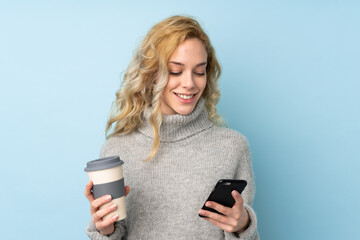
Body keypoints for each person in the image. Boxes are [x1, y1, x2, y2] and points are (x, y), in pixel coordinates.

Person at [84, 15, 259, 240]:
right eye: (175, 71)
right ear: (152, 73)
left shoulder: (232, 147)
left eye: (199, 71)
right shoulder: (117, 150)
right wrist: (105, 229)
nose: (189, 83)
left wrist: (242, 225)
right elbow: (117, 231)